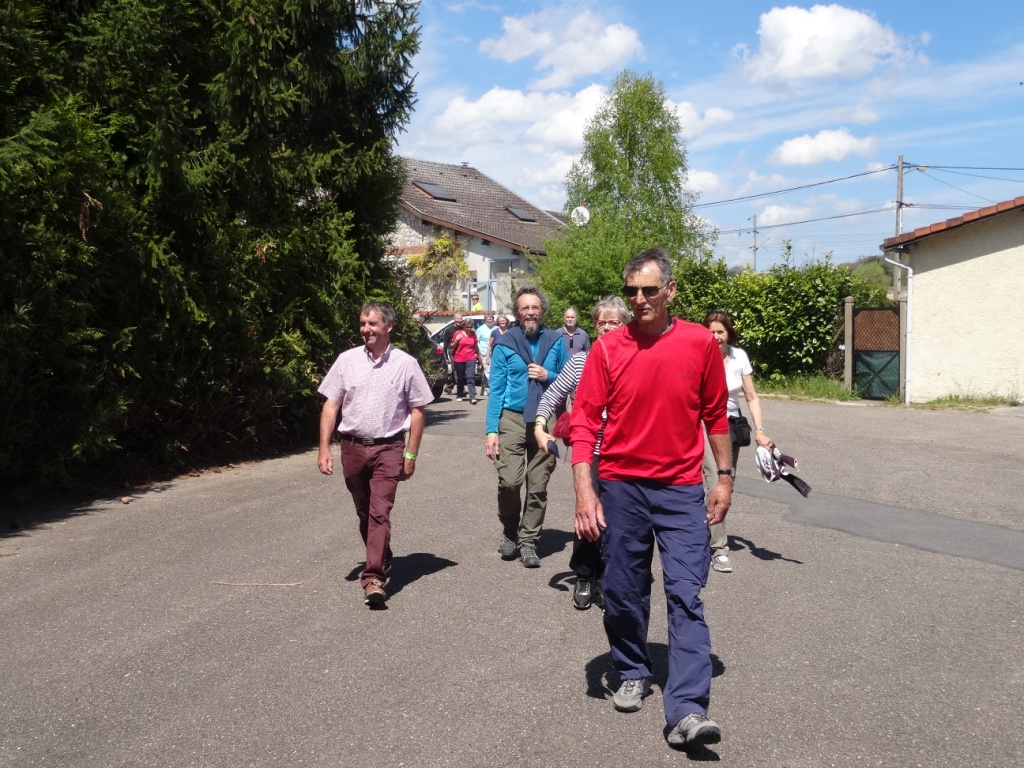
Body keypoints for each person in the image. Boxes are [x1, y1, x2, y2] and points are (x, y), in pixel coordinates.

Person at [570, 248, 732, 749]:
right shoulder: (608, 349)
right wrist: (584, 490)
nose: (639, 300)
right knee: (622, 591)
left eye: (649, 290)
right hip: (621, 487)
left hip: (682, 488)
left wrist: (723, 477)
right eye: (631, 292)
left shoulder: (700, 342)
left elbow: (716, 415)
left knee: (686, 592)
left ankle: (686, 709)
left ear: (671, 290)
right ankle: (632, 668)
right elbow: (583, 420)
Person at [316, 302, 434, 607]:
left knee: (381, 511)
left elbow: (417, 411)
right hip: (352, 447)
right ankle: (383, 554)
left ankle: (373, 579)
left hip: (389, 447)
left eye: (372, 324)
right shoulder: (346, 361)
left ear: (388, 326)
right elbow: (331, 405)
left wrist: (411, 454)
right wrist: (324, 448)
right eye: (362, 324)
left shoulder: (406, 364)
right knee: (365, 512)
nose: (366, 329)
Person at [534, 296, 631, 610]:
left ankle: (607, 578)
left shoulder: (636, 360)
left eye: (612, 322)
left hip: (627, 453)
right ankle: (585, 575)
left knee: (618, 521)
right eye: (600, 322)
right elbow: (552, 394)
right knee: (589, 515)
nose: (604, 327)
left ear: (626, 325)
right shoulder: (580, 362)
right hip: (590, 452)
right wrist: (539, 424)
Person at [485, 287, 568, 568]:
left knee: (538, 484)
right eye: (524, 308)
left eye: (535, 307)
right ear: (517, 313)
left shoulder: (556, 341)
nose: (530, 312)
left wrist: (549, 374)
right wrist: (491, 431)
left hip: (546, 420)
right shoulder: (506, 343)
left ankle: (528, 540)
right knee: (509, 481)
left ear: (542, 311)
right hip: (512, 417)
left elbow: (569, 379)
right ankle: (510, 530)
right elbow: (496, 389)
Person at [702, 310, 776, 573]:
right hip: (703, 424)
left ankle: (704, 528)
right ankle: (718, 548)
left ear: (728, 334)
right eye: (710, 331)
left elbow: (751, 396)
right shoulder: (699, 353)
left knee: (727, 483)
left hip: (731, 425)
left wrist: (760, 430)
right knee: (714, 480)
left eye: (720, 331)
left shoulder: (738, 357)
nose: (715, 336)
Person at [450, 317, 480, 404]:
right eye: (467, 327)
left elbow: (475, 346)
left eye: (470, 327)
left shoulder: (473, 334)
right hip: (459, 358)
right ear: (464, 326)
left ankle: (472, 397)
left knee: (470, 377)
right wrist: (456, 340)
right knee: (461, 377)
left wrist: (477, 355)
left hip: (471, 357)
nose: (469, 329)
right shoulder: (458, 333)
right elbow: (452, 346)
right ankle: (459, 394)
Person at [440, 311, 464, 394]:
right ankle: (461, 388)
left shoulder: (463, 328)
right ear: (454, 320)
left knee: (460, 369)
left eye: (460, 319)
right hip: (452, 350)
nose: (459, 321)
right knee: (456, 369)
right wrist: (446, 356)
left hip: (462, 350)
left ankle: (449, 387)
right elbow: (445, 344)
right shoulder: (449, 330)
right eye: (457, 319)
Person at [477, 313, 496, 395]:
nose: (489, 321)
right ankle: (491, 389)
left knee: (488, 371)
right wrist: (478, 354)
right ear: (485, 321)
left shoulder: (496, 328)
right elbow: (476, 342)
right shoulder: (480, 329)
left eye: (490, 319)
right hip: (484, 353)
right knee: (488, 371)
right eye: (487, 320)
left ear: (493, 320)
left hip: (494, 353)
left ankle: (484, 389)